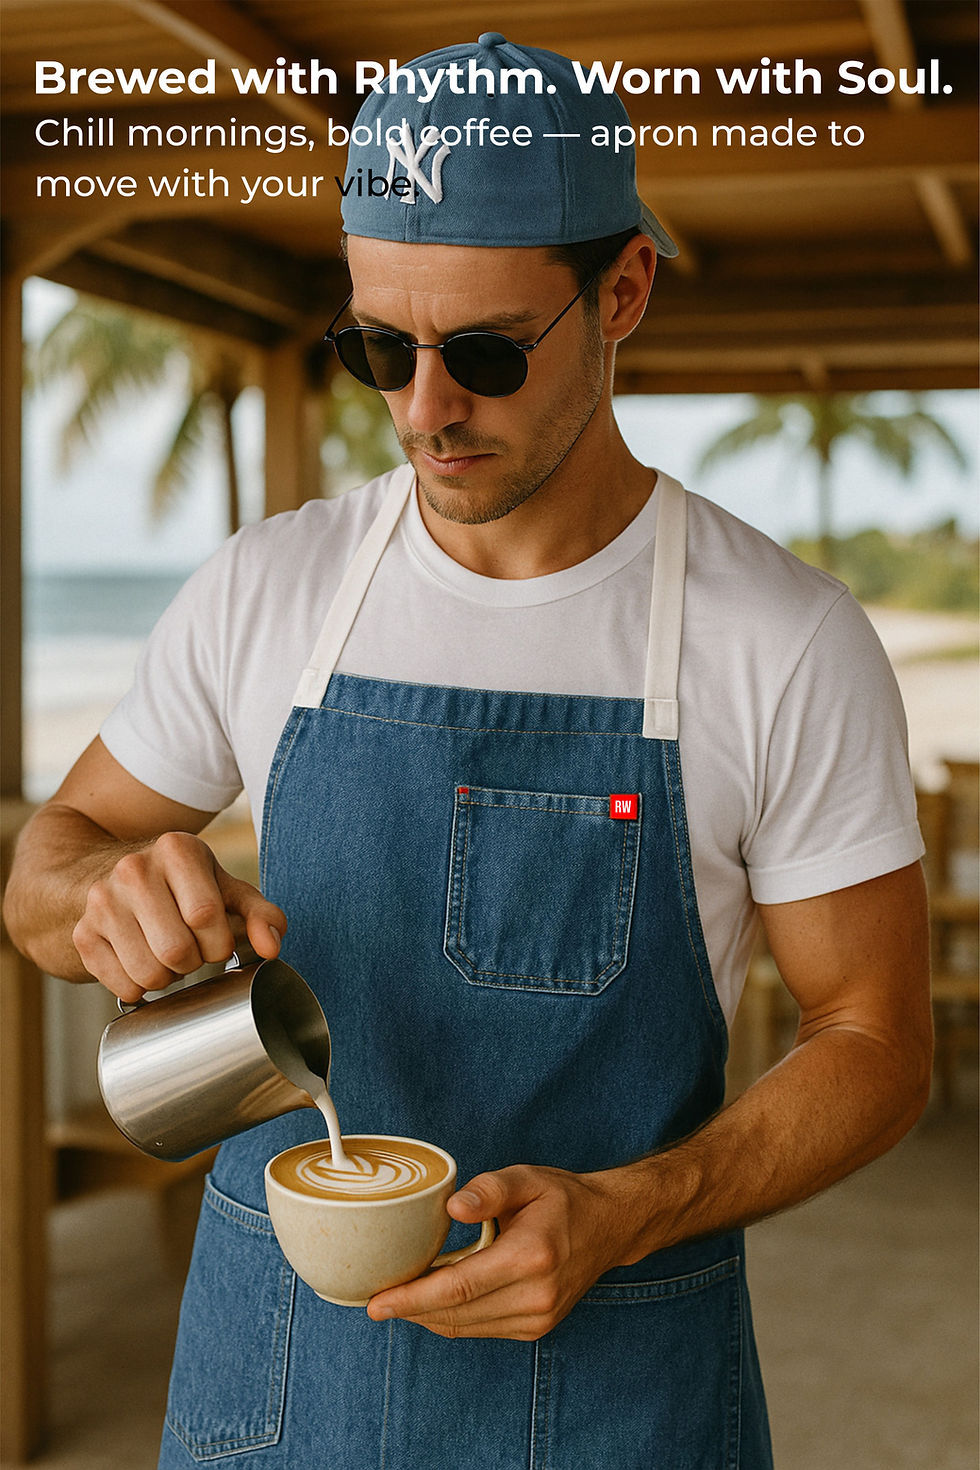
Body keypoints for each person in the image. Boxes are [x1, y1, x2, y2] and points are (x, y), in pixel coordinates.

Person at [5, 33, 932, 1470]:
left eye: (486, 352)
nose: (425, 408)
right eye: (380, 346)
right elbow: (45, 861)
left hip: (621, 1391)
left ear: (621, 291)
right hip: (275, 1385)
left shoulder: (783, 641)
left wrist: (639, 1201)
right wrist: (92, 899)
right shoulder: (268, 588)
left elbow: (877, 1039)